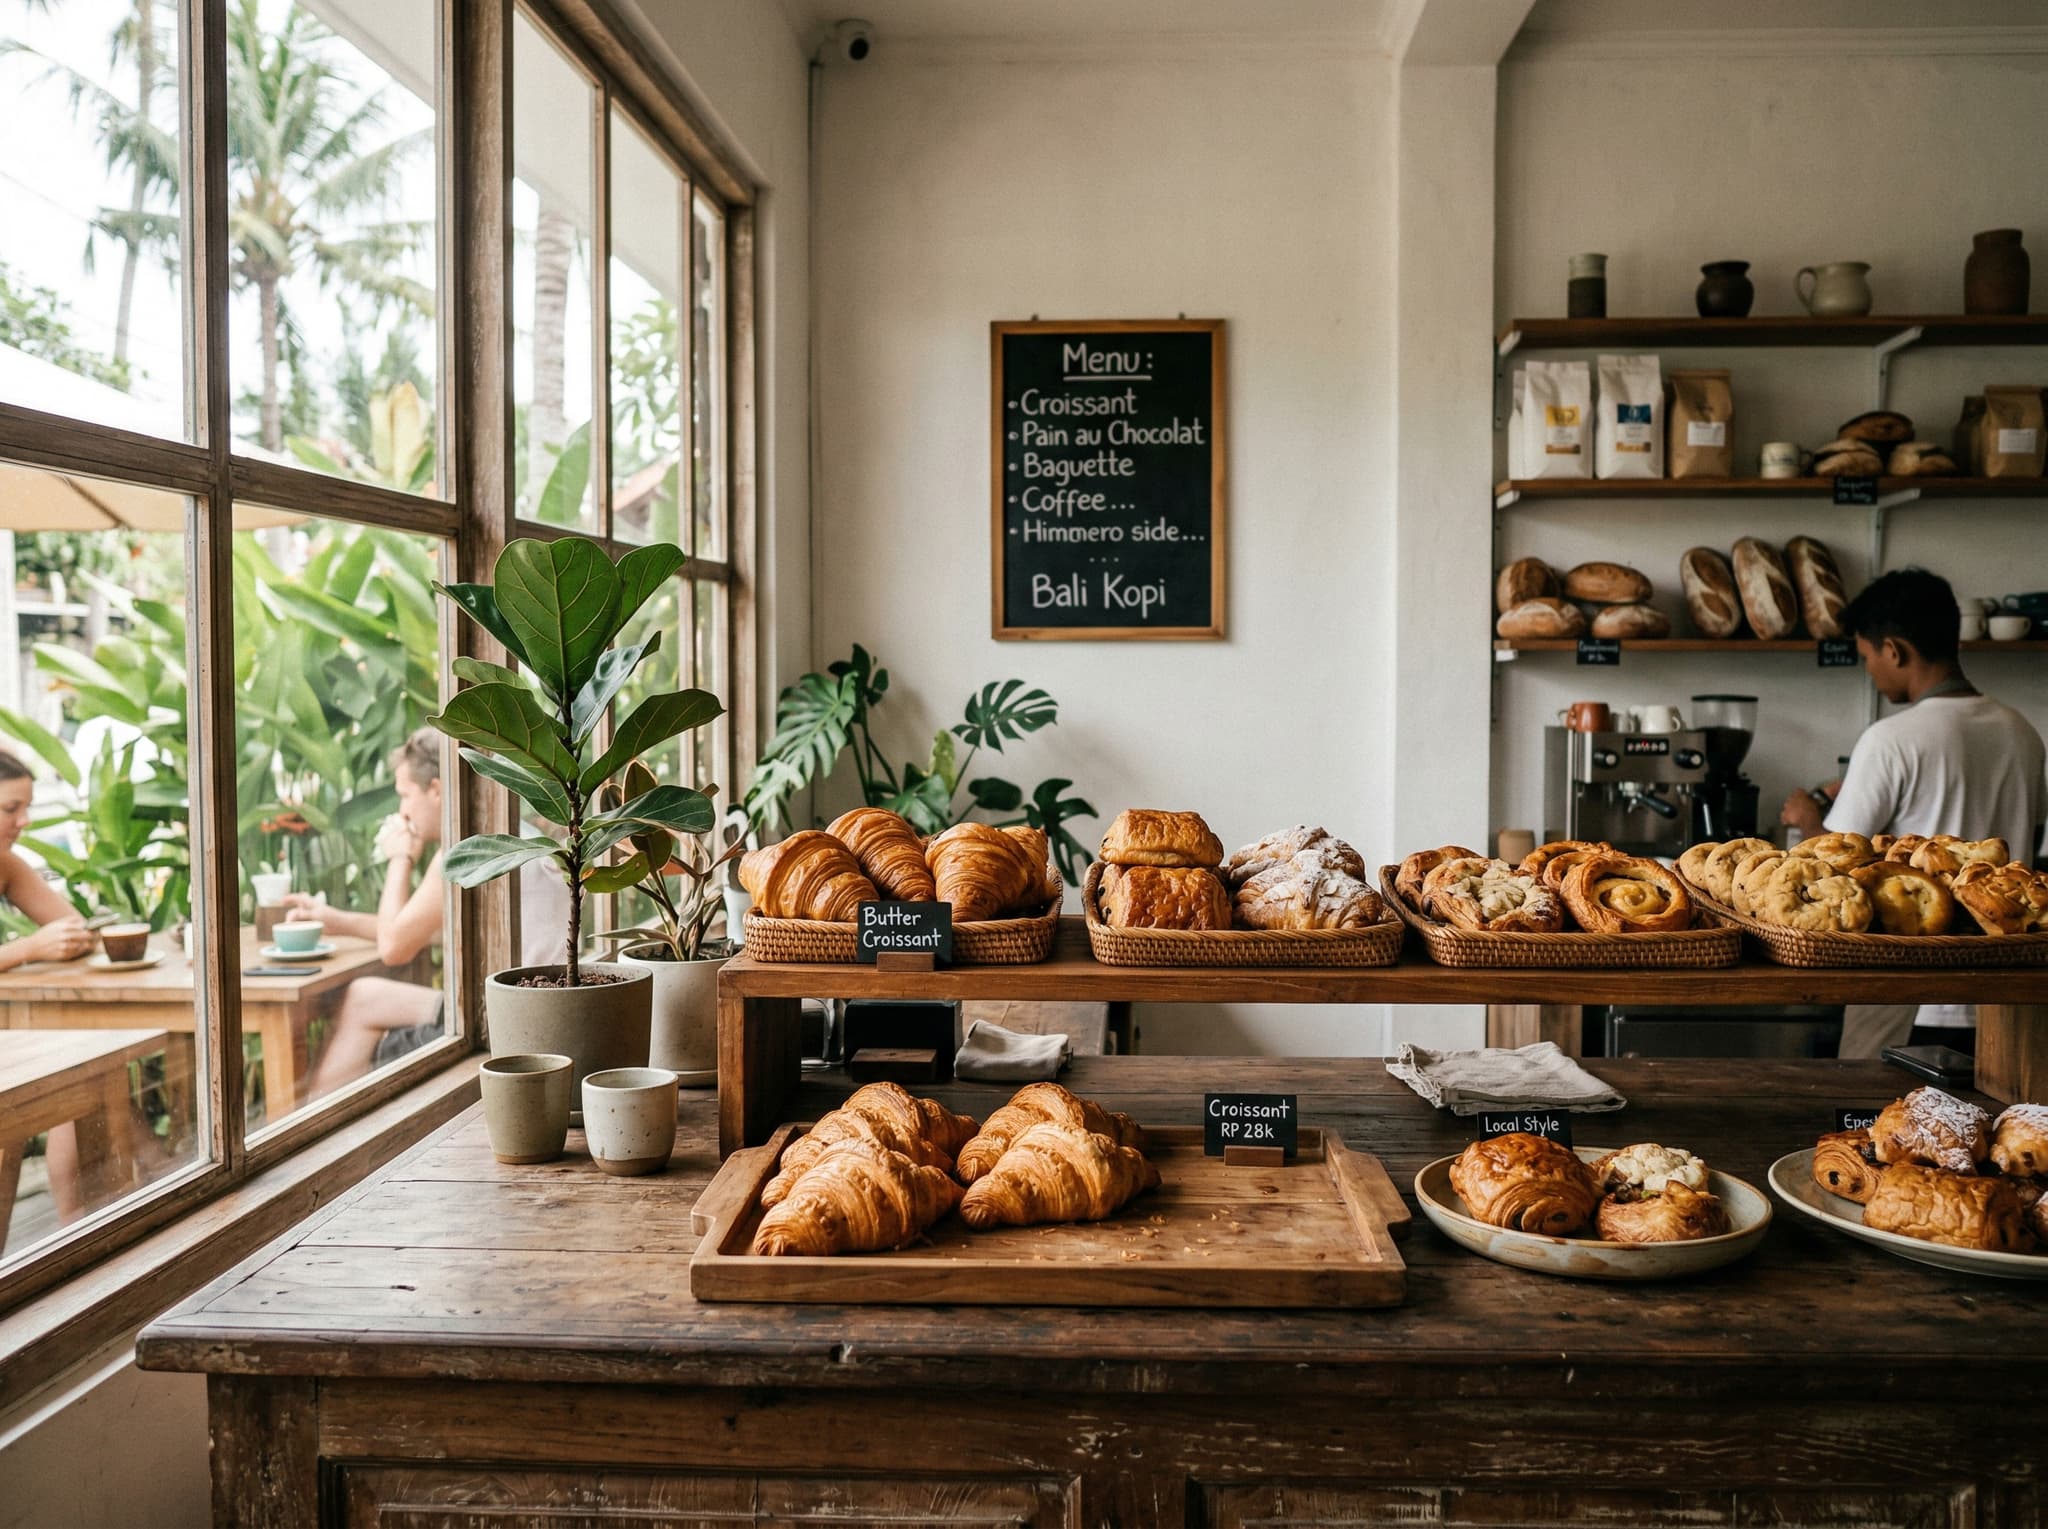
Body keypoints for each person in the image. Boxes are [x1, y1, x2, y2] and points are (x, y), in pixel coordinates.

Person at [1780, 569, 2046, 1057]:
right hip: (2010, 992)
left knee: (1875, 1125)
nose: (1870, 671)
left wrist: (1805, 818)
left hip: (1908, 991)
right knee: (2000, 1128)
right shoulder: (2021, 732)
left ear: (1895, 650)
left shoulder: (1891, 740)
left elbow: (1830, 866)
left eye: (1867, 657)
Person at [283, 729, 566, 1098]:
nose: (402, 811)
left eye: (405, 795)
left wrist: (400, 857)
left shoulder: (464, 849)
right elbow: (415, 928)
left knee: (359, 999)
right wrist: (332, 918)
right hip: (535, 1006)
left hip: (513, 1024)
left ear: (435, 789)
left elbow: (394, 947)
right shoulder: (508, 833)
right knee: (364, 997)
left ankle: (314, 1126)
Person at [0, 750, 98, 971]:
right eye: (11, 809)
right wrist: (28, 948)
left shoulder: (6, 865)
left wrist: (75, 938)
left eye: (27, 808)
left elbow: (77, 930)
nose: (24, 821)